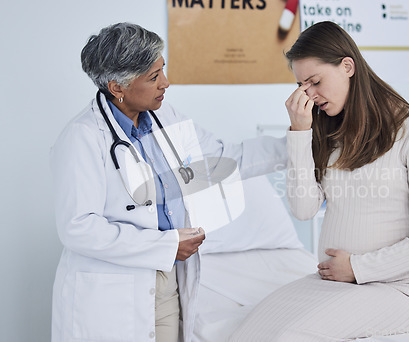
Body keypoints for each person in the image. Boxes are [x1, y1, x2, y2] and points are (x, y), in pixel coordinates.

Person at [50, 22, 286, 342]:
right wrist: (167, 245)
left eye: (163, 70)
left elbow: (223, 160)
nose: (166, 82)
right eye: (153, 77)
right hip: (112, 294)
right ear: (117, 87)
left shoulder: (167, 117)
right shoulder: (83, 137)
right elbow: (78, 228)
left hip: (168, 281)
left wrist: (300, 143)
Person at [230, 21, 409, 341]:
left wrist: (359, 268)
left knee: (288, 335)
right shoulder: (330, 132)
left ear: (347, 66)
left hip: (399, 290)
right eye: (302, 86)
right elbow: (304, 209)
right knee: (247, 333)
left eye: (315, 81)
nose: (310, 95)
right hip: (334, 282)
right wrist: (300, 132)